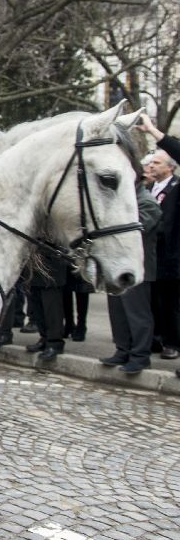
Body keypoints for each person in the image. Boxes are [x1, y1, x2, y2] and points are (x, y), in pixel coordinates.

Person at [101, 180, 162, 373]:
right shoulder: (124, 201)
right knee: (118, 312)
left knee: (137, 315)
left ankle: (140, 356)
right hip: (118, 265)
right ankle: (123, 350)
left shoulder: (147, 202)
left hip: (137, 268)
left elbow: (135, 229)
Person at [136, 114, 180, 360]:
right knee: (157, 303)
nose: (151, 166)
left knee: (171, 304)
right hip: (156, 254)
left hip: (172, 255)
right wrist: (153, 132)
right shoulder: (150, 186)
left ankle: (172, 342)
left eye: (157, 163)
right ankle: (158, 339)